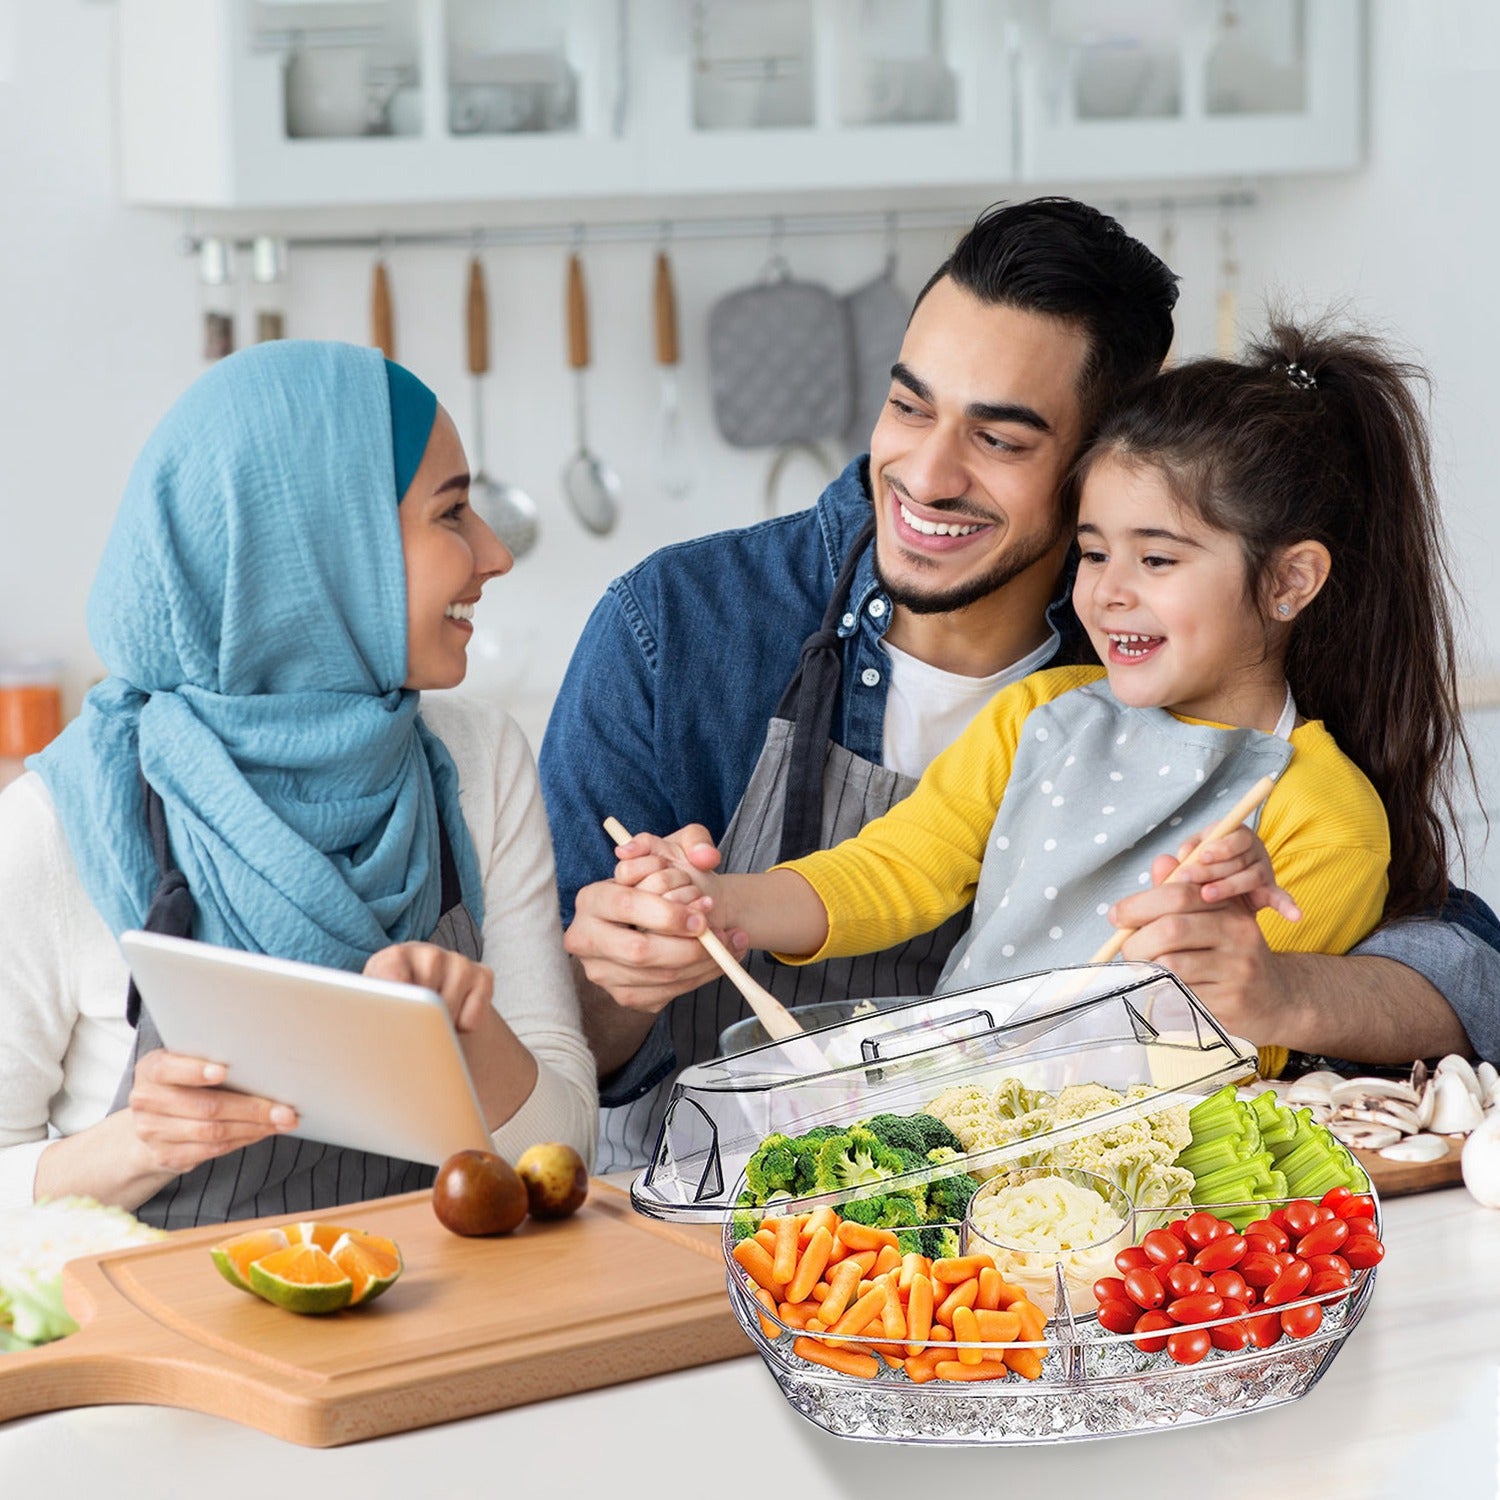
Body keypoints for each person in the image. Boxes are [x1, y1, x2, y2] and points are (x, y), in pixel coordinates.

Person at [540, 198, 1499, 1173]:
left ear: (1093, 465)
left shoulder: (1274, 773)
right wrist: (704, 911)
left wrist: (1272, 983)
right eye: (909, 405)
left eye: (1000, 440)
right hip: (741, 1177)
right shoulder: (686, 624)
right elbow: (891, 871)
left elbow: (1386, 985)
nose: (926, 472)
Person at [610, 319, 1467, 1083]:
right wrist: (725, 903)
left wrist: (1224, 963)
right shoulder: (1041, 716)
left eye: (1157, 560)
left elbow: (1244, 1042)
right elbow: (897, 867)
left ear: (1290, 581)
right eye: (1094, 554)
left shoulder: (1327, 817)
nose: (1110, 594)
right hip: (949, 1120)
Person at [0, 341, 597, 1225]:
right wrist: (138, 1144)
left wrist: (464, 1036)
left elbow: (566, 1152)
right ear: (317, 547)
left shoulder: (479, 760)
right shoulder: (55, 824)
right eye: (453, 514)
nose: (494, 555)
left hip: (444, 1334)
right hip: (159, 1352)